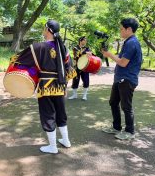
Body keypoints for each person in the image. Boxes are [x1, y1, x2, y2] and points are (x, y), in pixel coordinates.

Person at [10, 20, 76, 154]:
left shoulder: (38, 47)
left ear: (48, 30)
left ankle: (53, 147)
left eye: (44, 28)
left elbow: (19, 60)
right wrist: (65, 88)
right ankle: (66, 141)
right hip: (59, 86)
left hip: (45, 87)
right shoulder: (63, 48)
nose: (43, 30)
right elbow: (68, 70)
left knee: (48, 115)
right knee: (61, 114)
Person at [101, 18, 142, 140]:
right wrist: (108, 53)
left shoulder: (132, 43)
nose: (120, 31)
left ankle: (129, 131)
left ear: (129, 29)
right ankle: (116, 127)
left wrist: (109, 55)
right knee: (113, 102)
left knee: (126, 106)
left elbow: (123, 63)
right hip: (120, 79)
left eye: (121, 29)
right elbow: (121, 58)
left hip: (127, 79)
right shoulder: (128, 41)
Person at [68, 36, 93, 100]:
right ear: (80, 41)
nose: (85, 41)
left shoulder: (87, 48)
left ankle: (85, 96)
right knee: (75, 81)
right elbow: (77, 55)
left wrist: (90, 53)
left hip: (85, 67)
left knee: (86, 80)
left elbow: (91, 55)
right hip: (77, 67)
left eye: (86, 40)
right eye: (84, 40)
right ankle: (74, 95)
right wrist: (85, 52)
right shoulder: (75, 48)